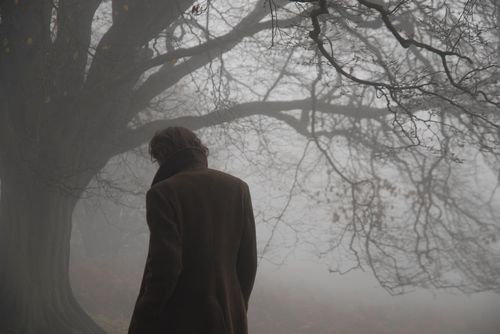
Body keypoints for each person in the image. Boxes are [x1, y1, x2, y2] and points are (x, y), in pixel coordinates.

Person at [128, 127, 258, 334]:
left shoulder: (163, 193)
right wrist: (236, 308)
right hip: (230, 319)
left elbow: (166, 266)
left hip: (180, 319)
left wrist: (144, 316)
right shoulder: (238, 188)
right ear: (198, 149)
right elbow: (247, 263)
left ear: (162, 155)